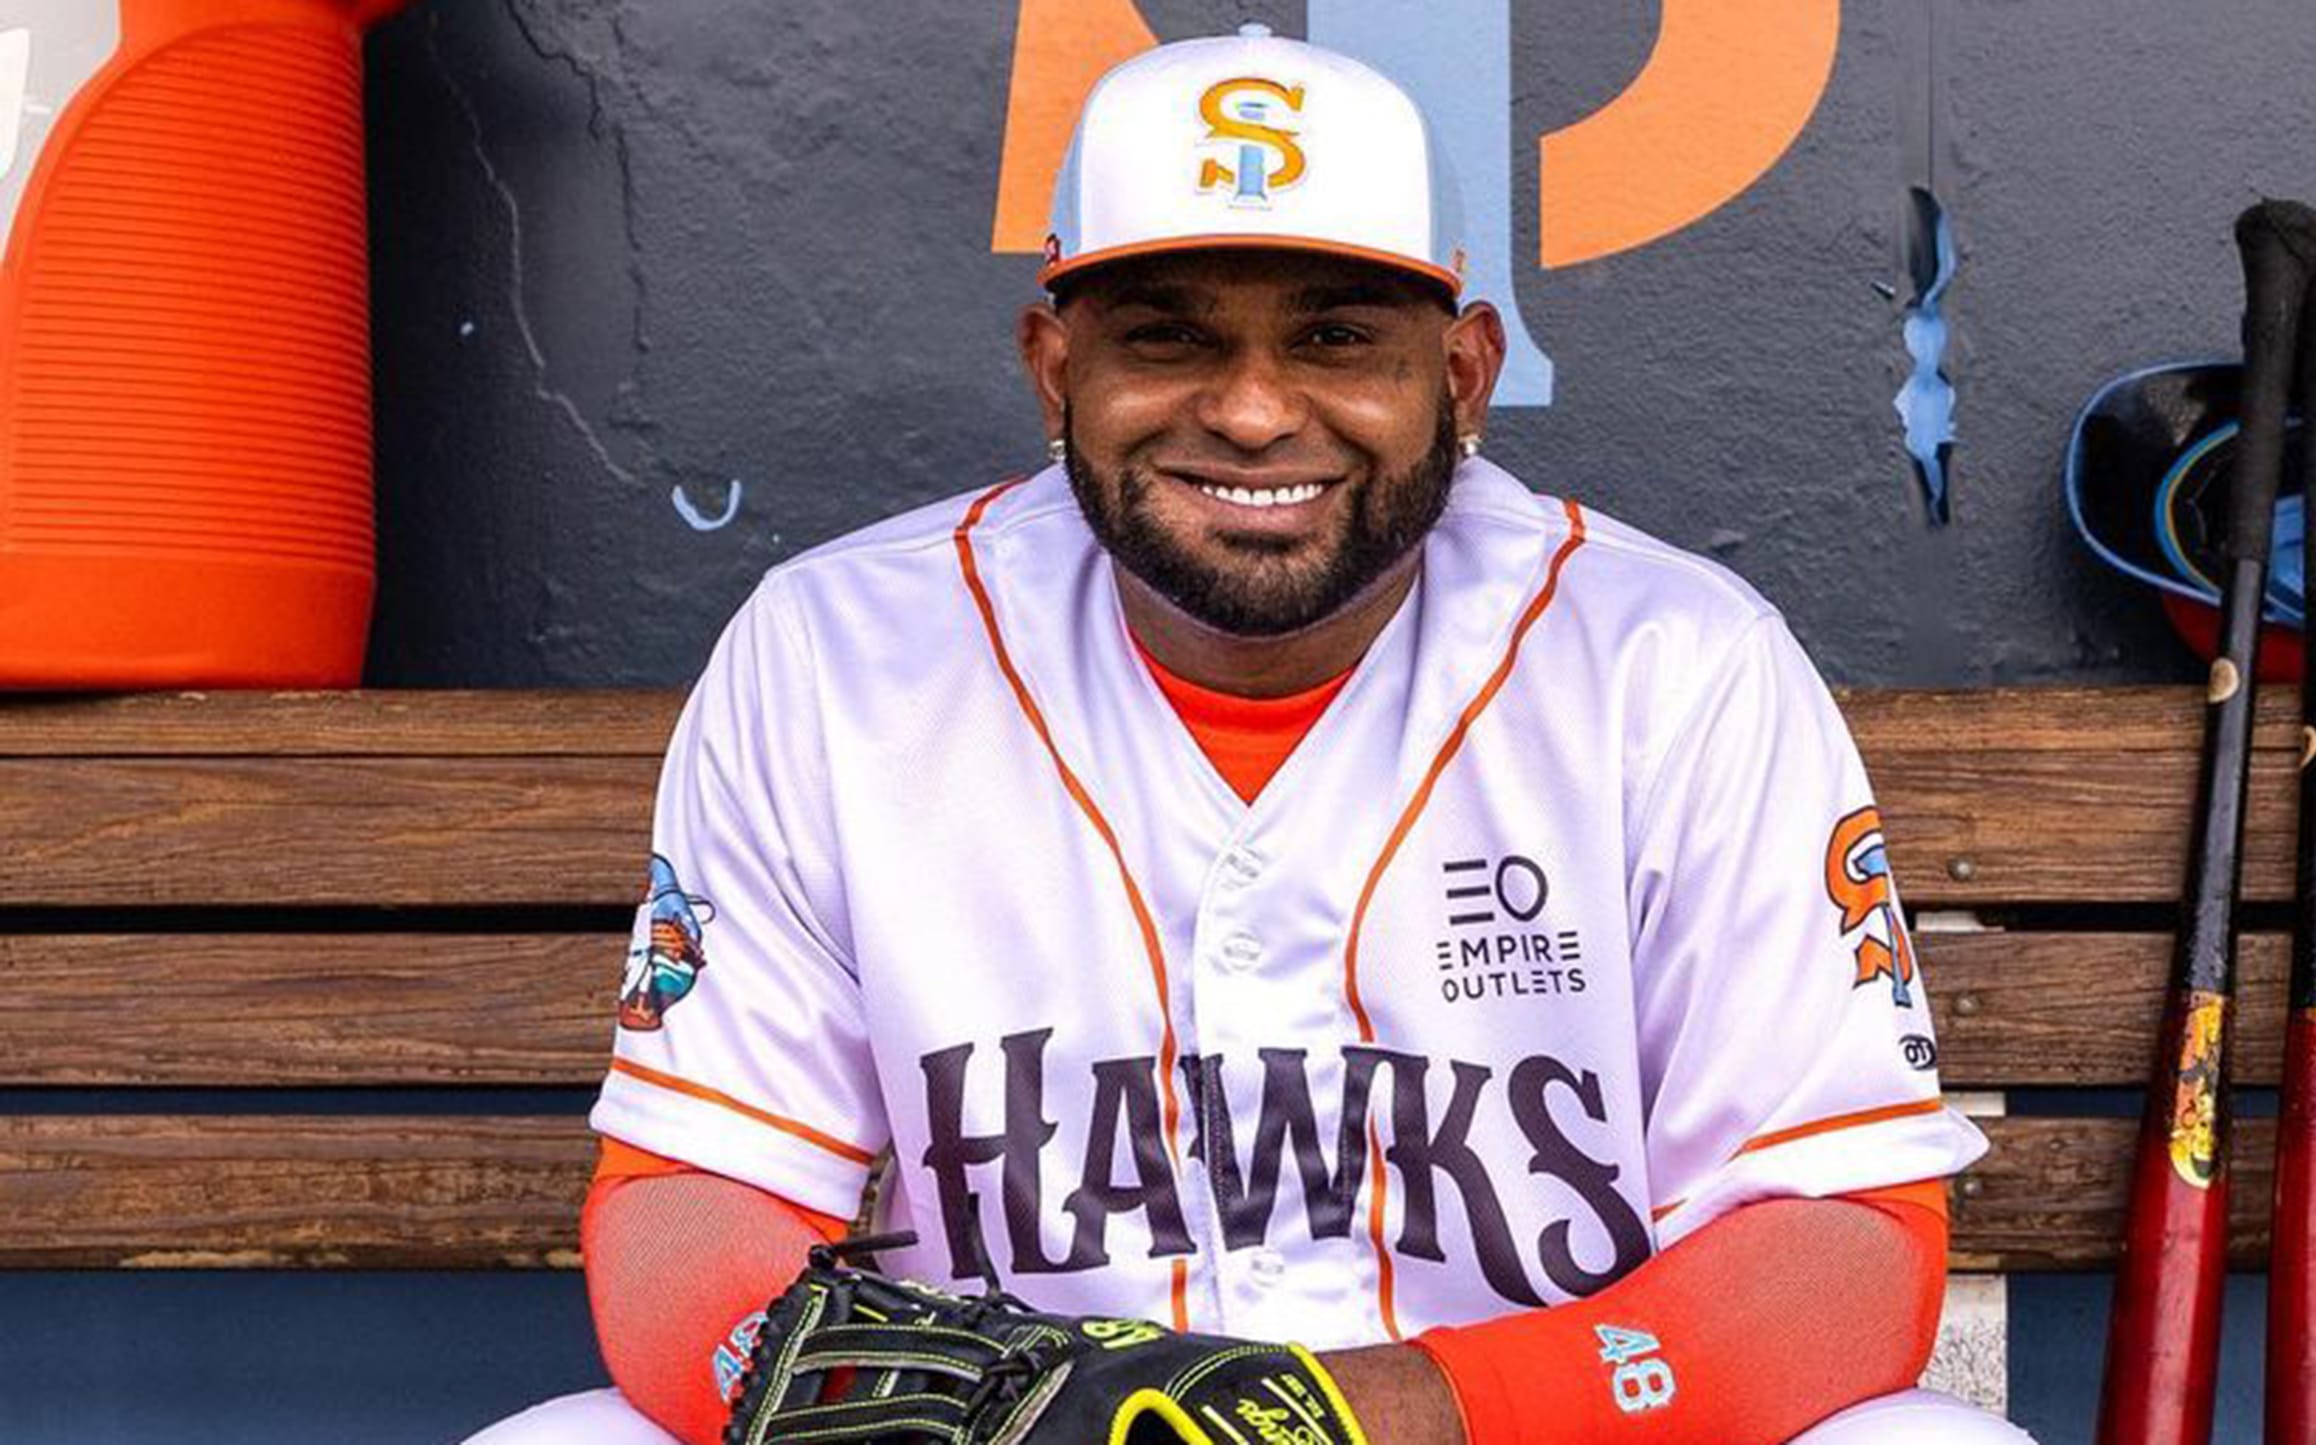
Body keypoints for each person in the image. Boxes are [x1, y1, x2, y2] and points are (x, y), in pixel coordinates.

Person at [466, 26, 2036, 1445]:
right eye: (1166, 336)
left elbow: (1844, 1244)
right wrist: (989, 1416)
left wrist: (1370, 1414)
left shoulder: (1674, 667)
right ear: (1054, 366)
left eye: (1340, 338)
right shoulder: (833, 653)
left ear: (1465, 372)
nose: (1254, 410)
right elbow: (688, 1208)